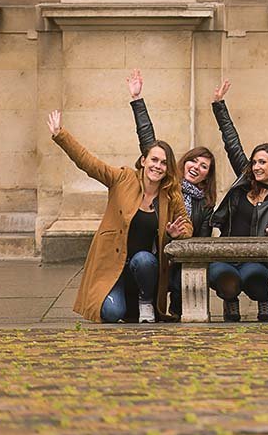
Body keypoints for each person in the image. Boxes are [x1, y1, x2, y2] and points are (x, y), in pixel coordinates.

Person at [47, 110, 191, 323]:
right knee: (112, 314)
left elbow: (186, 225)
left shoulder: (170, 194)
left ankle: (145, 301)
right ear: (143, 161)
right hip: (113, 265)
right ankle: (123, 301)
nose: (157, 166)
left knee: (144, 259)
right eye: (154, 160)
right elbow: (89, 164)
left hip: (144, 269)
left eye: (163, 163)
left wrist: (177, 233)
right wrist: (61, 135)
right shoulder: (122, 179)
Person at [127, 68, 218, 319]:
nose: (196, 168)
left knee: (180, 283)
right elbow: (149, 142)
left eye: (204, 167)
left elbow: (201, 238)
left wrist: (180, 238)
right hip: (156, 252)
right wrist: (137, 101)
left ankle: (176, 312)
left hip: (183, 256)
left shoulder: (205, 203)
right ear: (183, 161)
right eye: (193, 161)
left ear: (207, 176)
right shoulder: (166, 183)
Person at [209, 80, 268, 322]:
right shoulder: (243, 182)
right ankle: (230, 300)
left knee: (254, 278)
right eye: (254, 162)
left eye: (262, 162)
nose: (256, 167)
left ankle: (264, 298)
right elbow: (232, 143)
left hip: (256, 257)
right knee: (225, 279)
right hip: (227, 253)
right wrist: (219, 106)